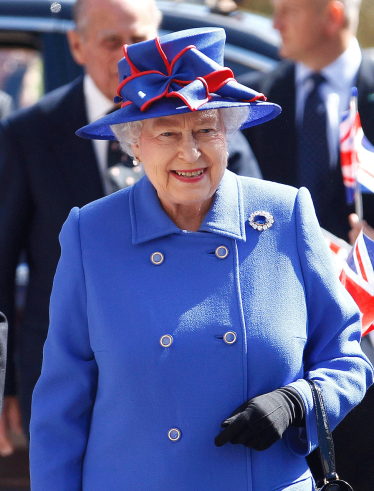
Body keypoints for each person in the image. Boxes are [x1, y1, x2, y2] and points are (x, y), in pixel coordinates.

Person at [29, 27, 374, 490]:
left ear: (228, 134)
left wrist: (299, 402)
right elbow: (60, 408)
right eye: (167, 133)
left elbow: (349, 357)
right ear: (134, 145)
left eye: (205, 130)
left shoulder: (285, 214)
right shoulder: (92, 232)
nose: (189, 153)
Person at [0, 0, 261, 436]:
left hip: (189, 373)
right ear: (77, 46)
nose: (126, 56)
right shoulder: (28, 133)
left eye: (138, 40)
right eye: (110, 42)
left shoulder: (208, 125)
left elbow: (253, 234)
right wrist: (3, 383)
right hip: (69, 380)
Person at [240, 0, 374, 258]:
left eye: (289, 11)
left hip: (369, 289)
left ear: (332, 16)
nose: (276, 24)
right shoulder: (255, 101)